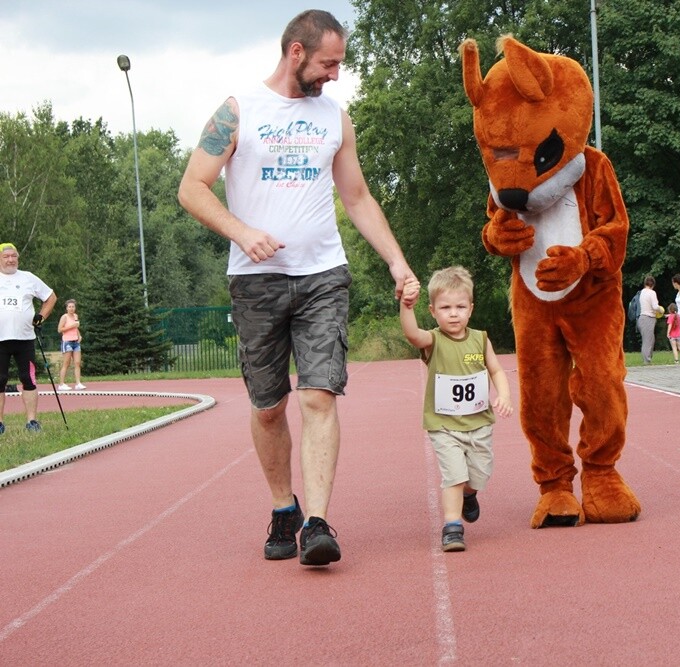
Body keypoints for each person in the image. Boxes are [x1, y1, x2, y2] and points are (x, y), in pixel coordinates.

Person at [177, 10, 418, 567]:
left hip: (322, 275)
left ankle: (316, 523)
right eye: (329, 63)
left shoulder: (336, 118)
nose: (335, 74)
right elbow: (192, 188)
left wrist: (396, 261)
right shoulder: (239, 111)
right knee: (268, 407)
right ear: (296, 53)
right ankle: (283, 506)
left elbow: (357, 198)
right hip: (256, 281)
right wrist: (242, 232)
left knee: (318, 395)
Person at [399, 266, 512, 552]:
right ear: (433, 311)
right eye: (445, 307)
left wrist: (505, 396)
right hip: (444, 426)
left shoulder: (480, 339)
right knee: (454, 476)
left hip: (479, 424)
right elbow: (412, 334)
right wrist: (406, 306)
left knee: (477, 476)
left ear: (470, 309)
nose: (453, 313)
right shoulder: (433, 340)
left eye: (460, 307)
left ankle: (470, 495)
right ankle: (452, 526)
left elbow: (497, 370)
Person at [0, 243, 57, 434]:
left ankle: (32, 421)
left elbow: (50, 297)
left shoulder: (28, 278)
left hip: (25, 339)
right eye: (6, 256)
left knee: (28, 378)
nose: (10, 260)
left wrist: (41, 316)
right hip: (1, 340)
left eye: (13, 256)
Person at [57, 299, 85, 391]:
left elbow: (76, 327)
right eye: (69, 307)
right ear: (66, 308)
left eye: (73, 306)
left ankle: (78, 383)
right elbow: (60, 329)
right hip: (67, 341)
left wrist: (79, 335)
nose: (71, 308)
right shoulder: (64, 317)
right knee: (66, 363)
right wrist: (71, 326)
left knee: (77, 362)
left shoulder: (75, 316)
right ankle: (61, 384)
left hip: (76, 342)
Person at [637, 275, 665, 364]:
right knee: (648, 341)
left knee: (650, 339)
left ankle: (648, 358)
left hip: (641, 318)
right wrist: (661, 310)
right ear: (653, 284)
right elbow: (655, 306)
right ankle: (646, 361)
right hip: (648, 318)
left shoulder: (642, 292)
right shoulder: (652, 293)